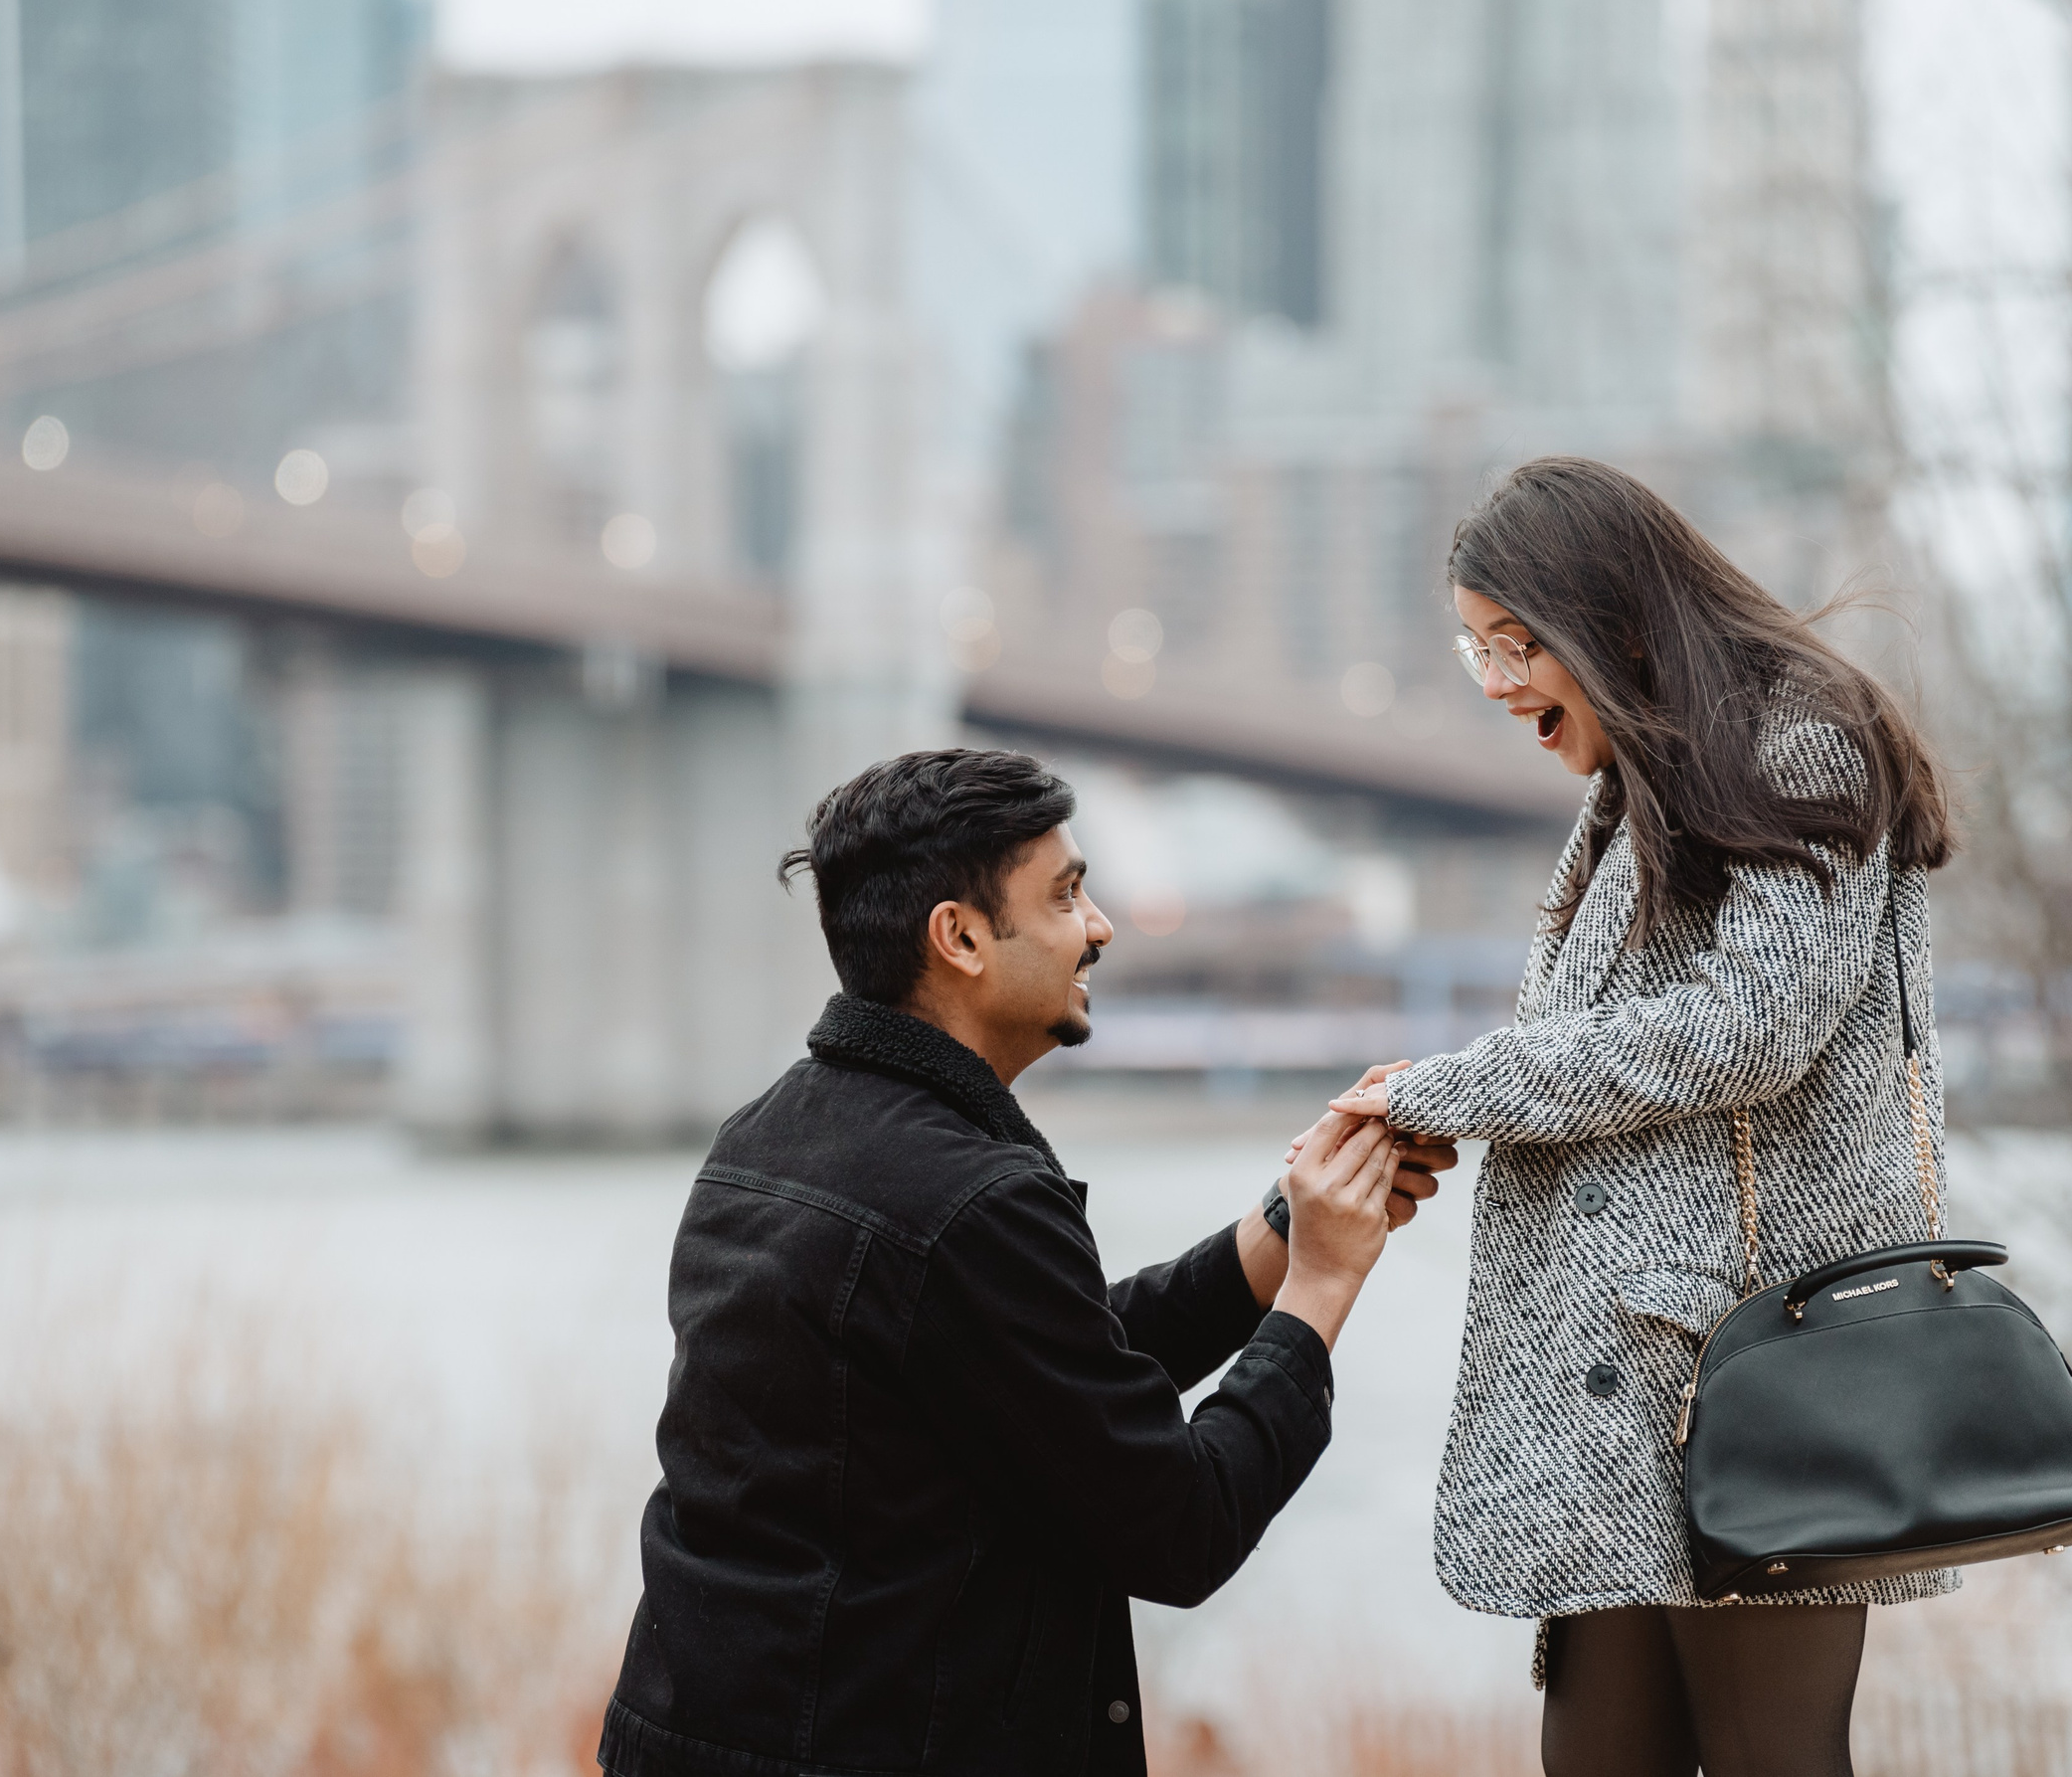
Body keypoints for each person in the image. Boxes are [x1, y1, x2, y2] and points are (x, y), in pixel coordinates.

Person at [597, 748, 1454, 1777]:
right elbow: (1180, 1525)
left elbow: (1043, 1364)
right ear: (958, 937)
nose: (1097, 926)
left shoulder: (767, 1135)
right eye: (1066, 895)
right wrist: (1322, 1284)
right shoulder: (970, 1198)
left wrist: (1281, 1227)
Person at [1322, 458, 1960, 1777]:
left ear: (1613, 618)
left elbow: (1752, 1028)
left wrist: (1457, 1086)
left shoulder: (1802, 737)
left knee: (1772, 1755)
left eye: (1517, 643)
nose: (1497, 682)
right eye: (1474, 648)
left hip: (1754, 1373)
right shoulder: (1639, 788)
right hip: (1626, 1392)